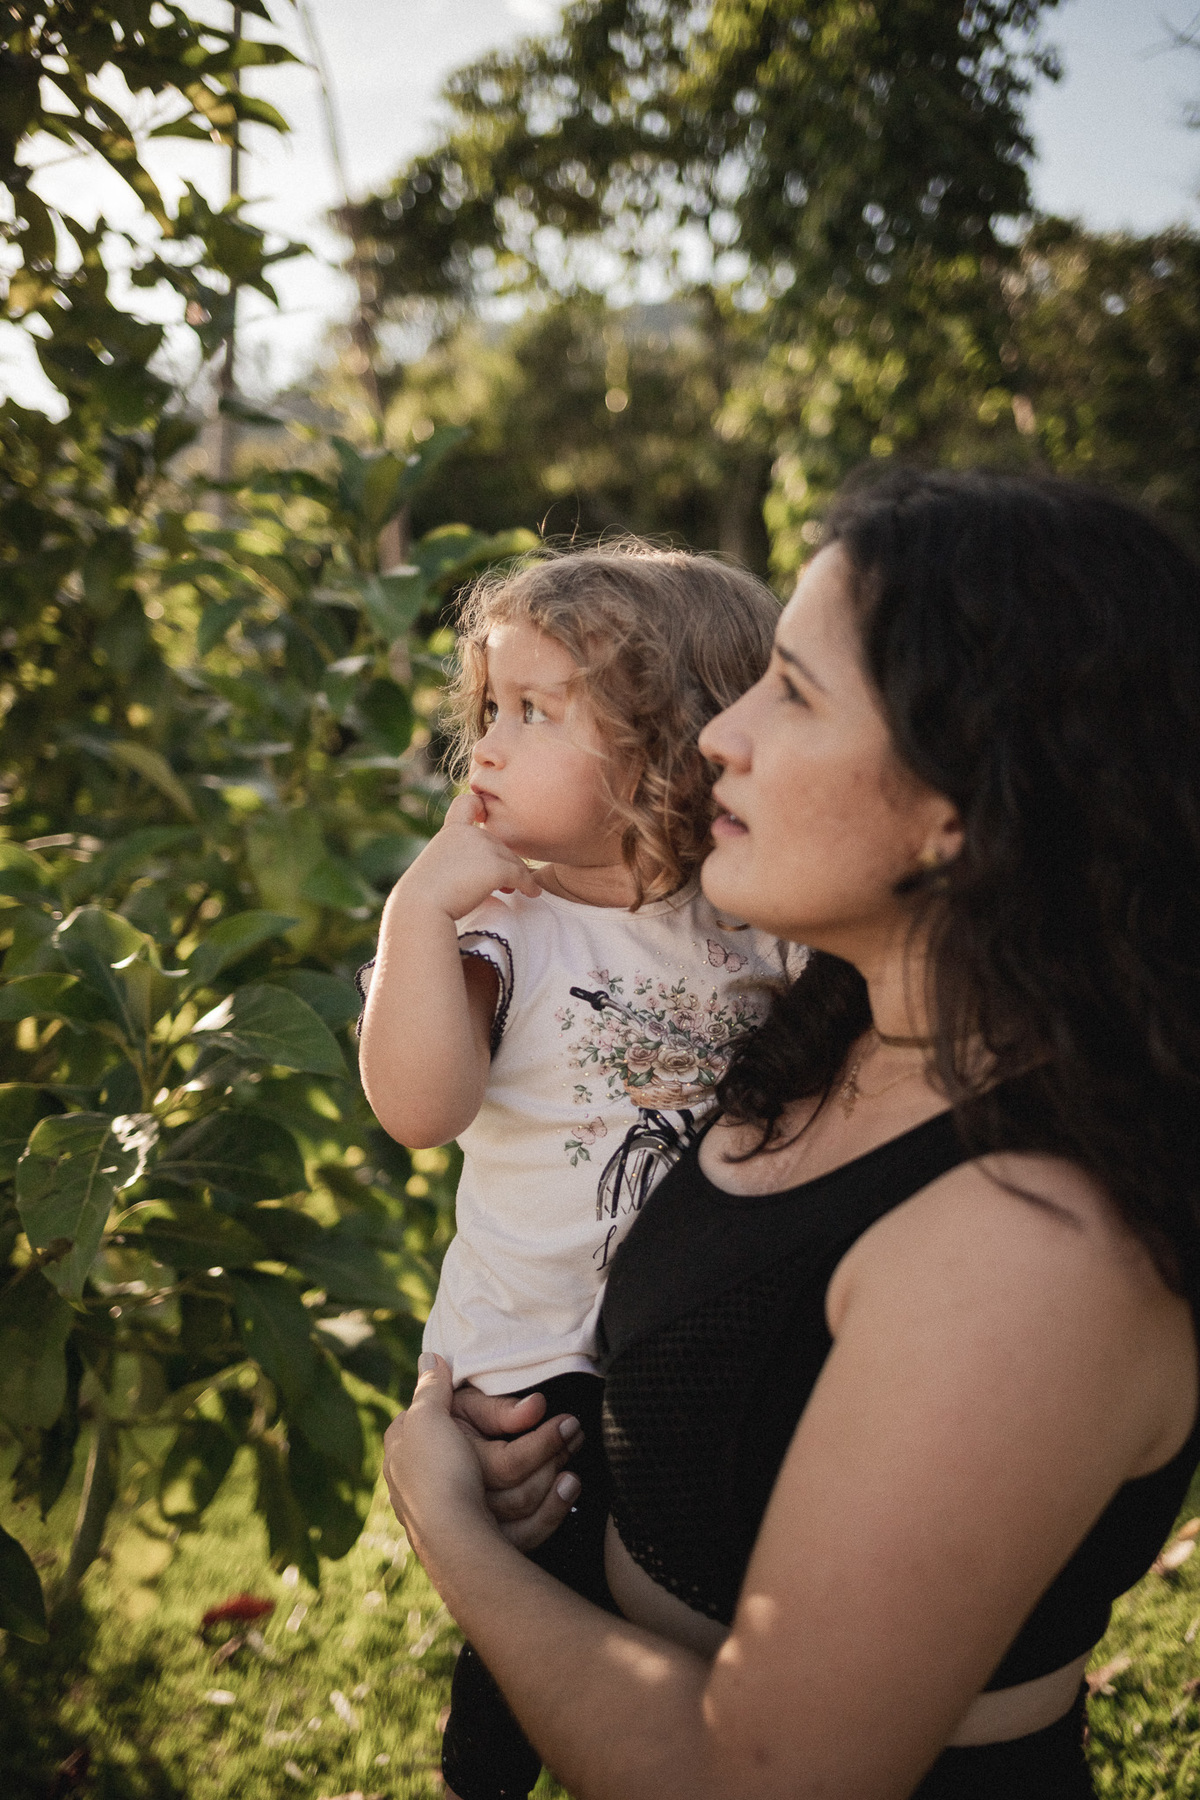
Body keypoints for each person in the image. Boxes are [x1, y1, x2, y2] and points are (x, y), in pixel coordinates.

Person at [381, 468, 1200, 1800]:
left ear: (962, 802)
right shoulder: (830, 1025)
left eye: (793, 693)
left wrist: (446, 1518)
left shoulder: (1041, 1247)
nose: (715, 734)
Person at [357, 541, 805, 1800]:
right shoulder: (505, 929)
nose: (486, 747)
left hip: (701, 1352)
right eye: (489, 708)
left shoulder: (752, 925)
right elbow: (420, 1110)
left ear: (671, 740)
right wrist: (417, 915)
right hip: (535, 1372)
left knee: (692, 1617)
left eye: (536, 712)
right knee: (533, 1638)